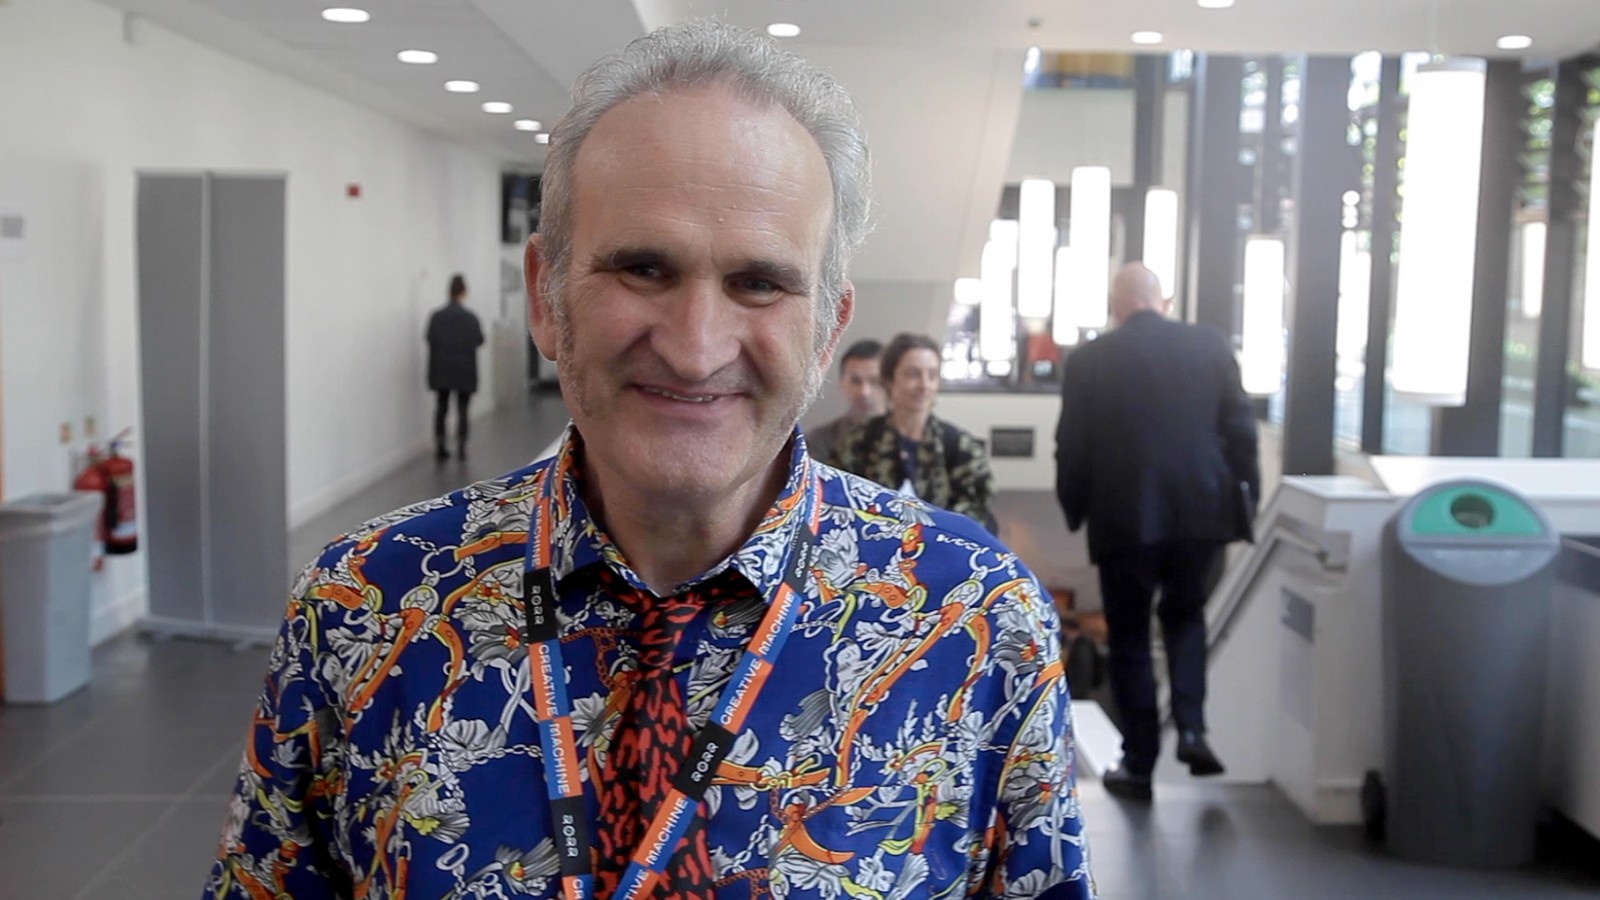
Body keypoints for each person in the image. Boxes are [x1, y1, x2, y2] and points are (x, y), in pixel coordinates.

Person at [205, 22, 1092, 900]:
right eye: (642, 269)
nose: (696, 349)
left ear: (827, 330)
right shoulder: (362, 608)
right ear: (547, 298)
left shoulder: (977, 624)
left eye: (759, 282)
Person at [1053, 262, 1260, 802]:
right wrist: (1248, 498)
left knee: (1129, 637)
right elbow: (1241, 429)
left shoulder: (1091, 359)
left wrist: (1074, 508)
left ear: (1116, 307)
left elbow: (1072, 444)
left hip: (1124, 516)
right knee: (1186, 618)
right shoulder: (1210, 345)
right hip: (1203, 512)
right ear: (1163, 301)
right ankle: (1192, 728)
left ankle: (1139, 763)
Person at [831, 332, 998, 531]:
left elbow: (977, 516)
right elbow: (837, 505)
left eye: (932, 375)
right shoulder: (859, 441)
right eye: (913, 374)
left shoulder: (959, 447)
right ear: (889, 379)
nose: (924, 385)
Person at [427, 273, 485, 460]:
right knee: (463, 409)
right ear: (464, 292)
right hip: (464, 370)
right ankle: (461, 447)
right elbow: (479, 340)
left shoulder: (436, 317)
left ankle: (440, 446)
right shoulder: (470, 318)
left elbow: (430, 338)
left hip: (441, 370)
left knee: (441, 407)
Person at [802, 338, 884, 461]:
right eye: (855, 381)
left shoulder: (909, 438)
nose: (864, 392)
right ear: (842, 383)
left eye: (875, 381)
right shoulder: (819, 441)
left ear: (891, 383)